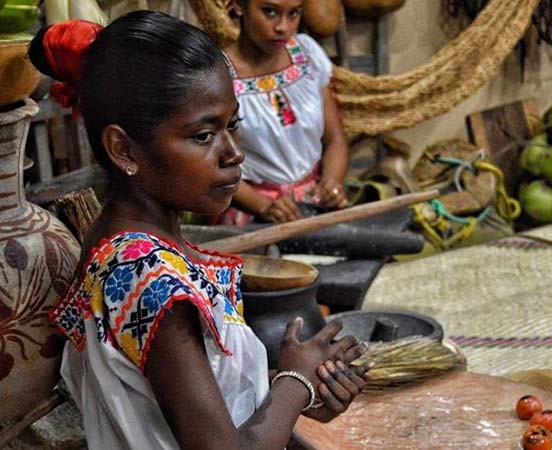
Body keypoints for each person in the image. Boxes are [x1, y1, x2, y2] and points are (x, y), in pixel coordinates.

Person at [31, 11, 371, 450]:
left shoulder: (126, 245)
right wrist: (293, 382)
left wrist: (295, 390)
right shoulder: (150, 277)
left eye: (233, 126)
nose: (233, 154)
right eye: (203, 135)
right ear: (123, 148)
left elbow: (180, 395)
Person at [216, 0, 351, 225]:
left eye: (294, 14)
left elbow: (335, 139)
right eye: (270, 12)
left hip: (312, 206)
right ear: (239, 6)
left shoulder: (307, 54)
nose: (283, 27)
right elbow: (211, 167)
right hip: (249, 216)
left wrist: (331, 183)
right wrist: (263, 206)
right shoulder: (218, 76)